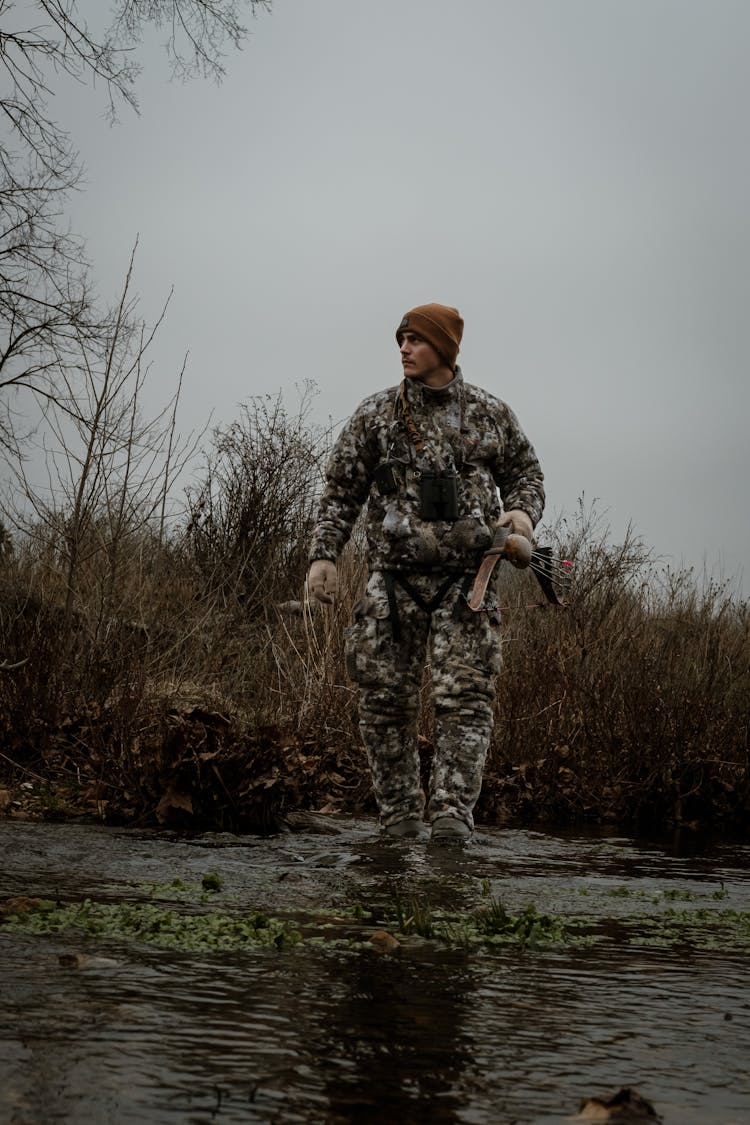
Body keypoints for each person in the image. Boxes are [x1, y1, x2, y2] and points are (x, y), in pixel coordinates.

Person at [306, 303, 544, 841]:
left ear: (444, 348)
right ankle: (398, 819)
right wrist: (324, 554)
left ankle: (452, 818)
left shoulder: (488, 414)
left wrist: (524, 512)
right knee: (382, 699)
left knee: (465, 698)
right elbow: (342, 490)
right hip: (391, 581)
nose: (404, 348)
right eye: (402, 339)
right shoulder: (376, 415)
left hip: (469, 583)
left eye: (415, 340)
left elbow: (526, 473)